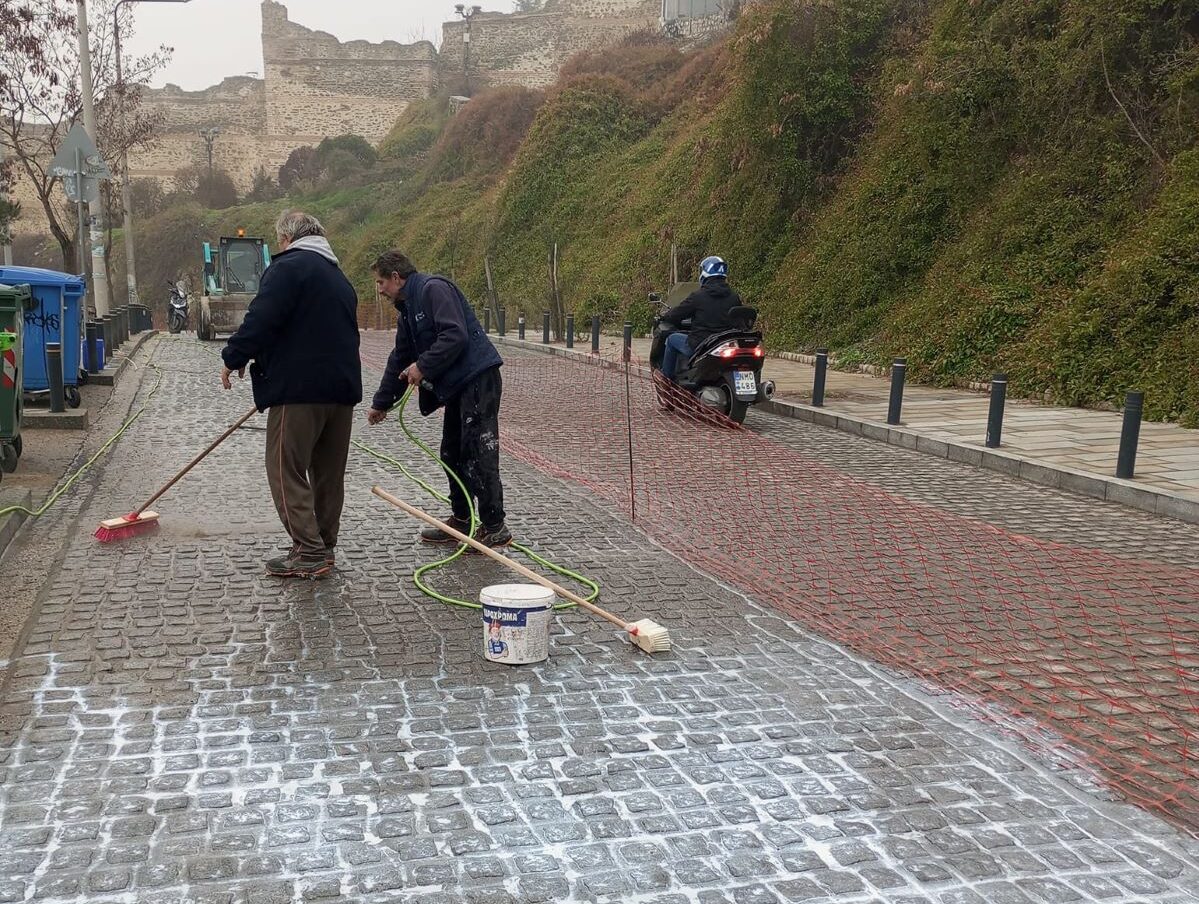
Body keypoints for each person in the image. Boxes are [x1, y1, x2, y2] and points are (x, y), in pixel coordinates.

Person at [220, 211, 362, 579]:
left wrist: (234, 356)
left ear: (286, 238)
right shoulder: (338, 277)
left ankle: (308, 551)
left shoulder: (288, 268)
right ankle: (324, 544)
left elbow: (262, 317)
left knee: (285, 469)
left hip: (298, 391)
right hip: (341, 391)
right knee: (328, 473)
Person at [366, 250, 511, 548]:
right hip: (457, 387)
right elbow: (400, 356)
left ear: (396, 277)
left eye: (381, 282)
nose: (379, 290)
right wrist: (381, 403)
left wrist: (423, 366)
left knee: (478, 452)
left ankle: (495, 526)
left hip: (477, 380)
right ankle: (462, 519)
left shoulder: (434, 289)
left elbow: (454, 335)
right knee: (451, 453)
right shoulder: (407, 307)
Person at [660, 255, 743, 382]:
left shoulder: (698, 296)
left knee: (671, 339)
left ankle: (666, 380)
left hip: (700, 345)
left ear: (704, 273)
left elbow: (677, 313)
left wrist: (666, 316)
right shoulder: (734, 297)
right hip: (725, 344)